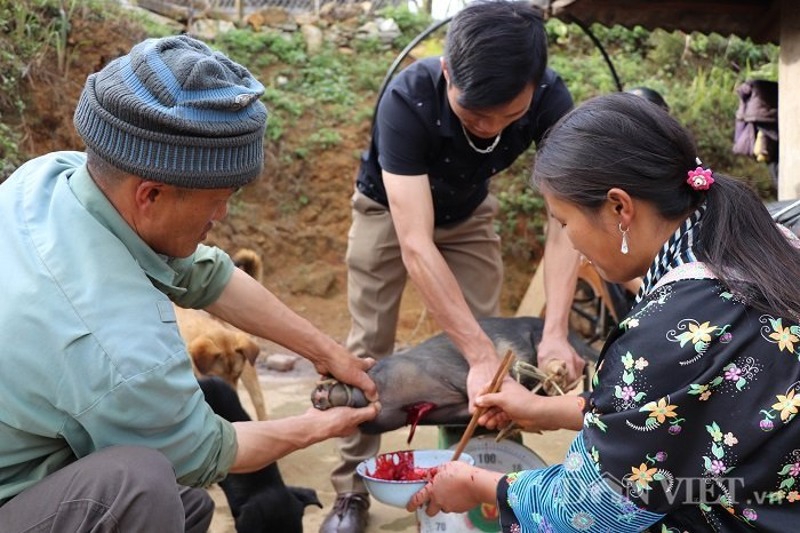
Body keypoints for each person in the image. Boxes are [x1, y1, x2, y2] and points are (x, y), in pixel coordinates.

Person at [0, 35, 379, 532]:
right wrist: (319, 427)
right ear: (151, 194)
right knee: (143, 485)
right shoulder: (120, 348)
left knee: (188, 507)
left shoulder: (48, 181)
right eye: (217, 199)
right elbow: (207, 451)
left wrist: (327, 353)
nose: (222, 215)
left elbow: (208, 273)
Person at [406, 92, 800, 531]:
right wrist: (543, 409)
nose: (570, 242)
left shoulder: (670, 329)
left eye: (563, 221)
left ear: (619, 207)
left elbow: (592, 509)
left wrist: (482, 485)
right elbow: (680, 406)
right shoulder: (768, 244)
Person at [321, 2, 584, 532]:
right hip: (388, 213)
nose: (489, 129)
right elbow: (414, 243)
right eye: (474, 115)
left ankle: (481, 482)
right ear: (446, 71)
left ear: (536, 86)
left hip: (466, 212)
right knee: (366, 350)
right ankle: (352, 491)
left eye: (507, 118)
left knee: (488, 358)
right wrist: (478, 351)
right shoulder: (406, 99)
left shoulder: (553, 101)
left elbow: (566, 222)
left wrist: (555, 333)